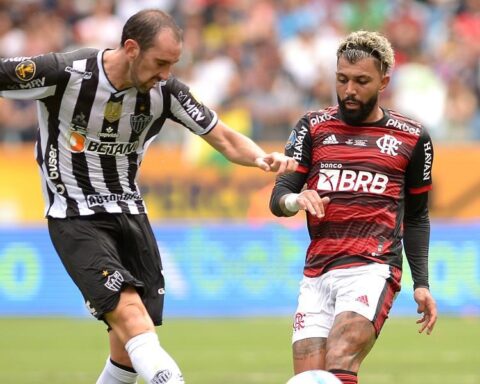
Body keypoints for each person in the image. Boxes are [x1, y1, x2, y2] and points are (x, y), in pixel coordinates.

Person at [0, 9, 297, 384]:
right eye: (160, 63)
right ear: (130, 48)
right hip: (74, 217)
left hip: (131, 217)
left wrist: (260, 158)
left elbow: (222, 136)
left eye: (172, 65)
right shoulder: (66, 72)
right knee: (132, 318)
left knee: (125, 351)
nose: (165, 74)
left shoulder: (165, 92)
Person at [269, 30, 437, 384]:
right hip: (317, 272)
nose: (349, 90)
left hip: (372, 267)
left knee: (341, 356)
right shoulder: (313, 127)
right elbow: (279, 196)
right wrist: (295, 200)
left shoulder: (411, 137)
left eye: (361, 81)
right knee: (310, 379)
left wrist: (421, 283)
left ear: (384, 81)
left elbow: (418, 216)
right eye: (342, 79)